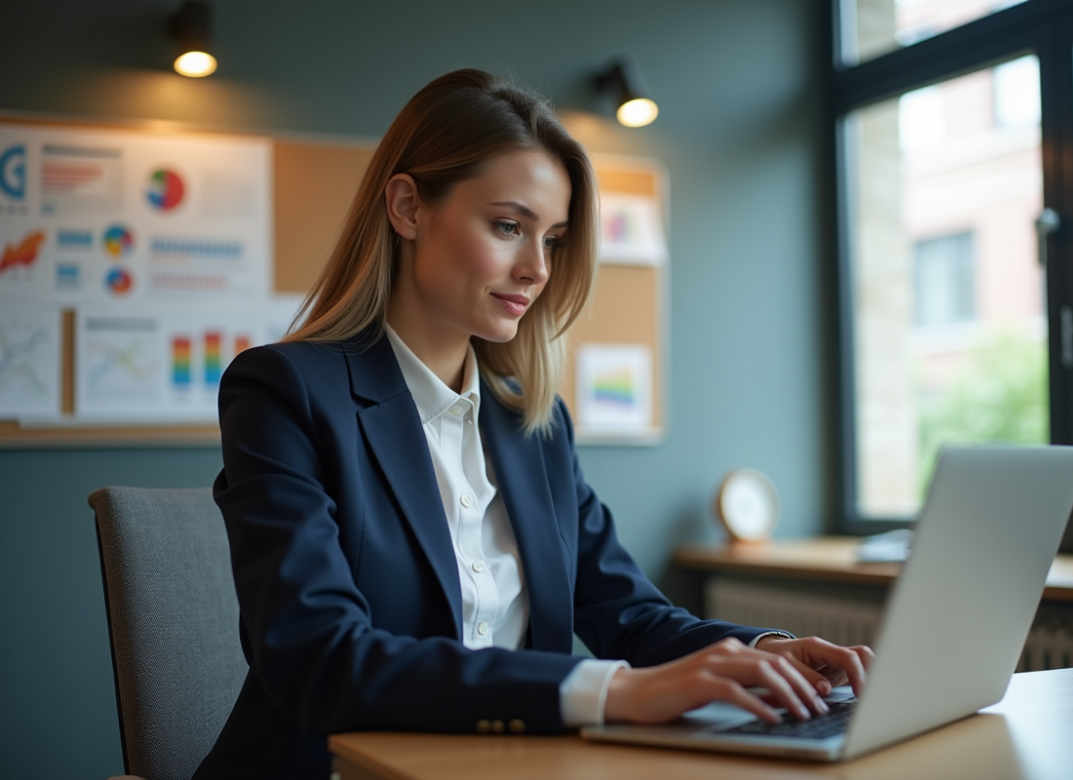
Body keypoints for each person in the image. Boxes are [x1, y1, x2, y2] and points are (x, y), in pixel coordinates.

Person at [194, 69, 873, 780]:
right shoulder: (286, 392)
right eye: (509, 226)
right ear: (407, 208)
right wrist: (612, 690)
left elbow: (630, 615)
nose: (536, 269)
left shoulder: (533, 424)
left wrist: (765, 649)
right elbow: (319, 659)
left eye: (552, 239)